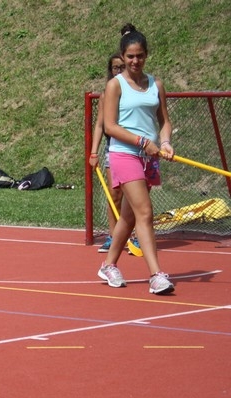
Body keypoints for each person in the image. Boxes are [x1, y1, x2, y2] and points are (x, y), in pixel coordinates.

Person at [99, 23, 174, 295]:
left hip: (149, 158)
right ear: (122, 56)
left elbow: (164, 120)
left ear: (146, 55)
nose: (135, 61)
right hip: (124, 153)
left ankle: (108, 265)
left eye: (140, 55)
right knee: (145, 212)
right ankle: (156, 275)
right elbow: (110, 126)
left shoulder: (156, 84)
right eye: (130, 56)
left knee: (129, 217)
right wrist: (143, 141)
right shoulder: (115, 85)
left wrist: (164, 142)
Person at [90, 52, 138, 253]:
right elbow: (100, 125)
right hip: (114, 150)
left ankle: (134, 236)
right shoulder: (106, 94)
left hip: (135, 150)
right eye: (115, 68)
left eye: (121, 67)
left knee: (135, 197)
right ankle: (113, 235)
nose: (118, 70)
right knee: (114, 195)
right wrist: (94, 152)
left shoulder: (135, 91)